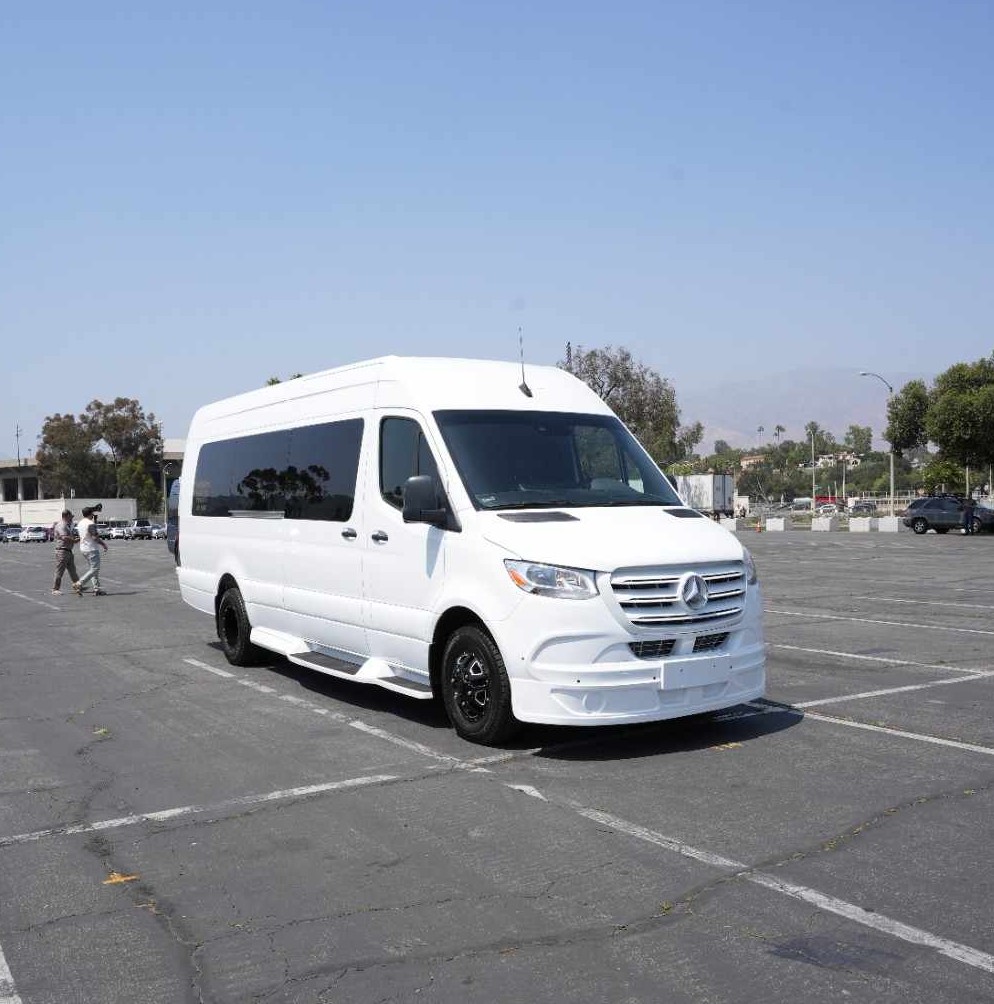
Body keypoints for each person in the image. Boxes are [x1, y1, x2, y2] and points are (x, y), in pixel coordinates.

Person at [76, 506, 108, 595]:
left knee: (93, 569)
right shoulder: (90, 523)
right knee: (95, 568)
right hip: (91, 549)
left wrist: (95, 522)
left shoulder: (80, 523)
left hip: (83, 548)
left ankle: (96, 589)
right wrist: (103, 544)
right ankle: (79, 583)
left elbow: (88, 532)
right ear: (91, 514)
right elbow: (94, 537)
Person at [52, 510, 81, 595]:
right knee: (59, 571)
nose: (72, 518)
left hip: (68, 551)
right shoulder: (61, 525)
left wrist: (75, 538)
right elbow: (64, 537)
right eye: (70, 516)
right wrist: (74, 540)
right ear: (66, 516)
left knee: (73, 571)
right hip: (62, 551)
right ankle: (55, 589)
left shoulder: (67, 525)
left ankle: (77, 586)